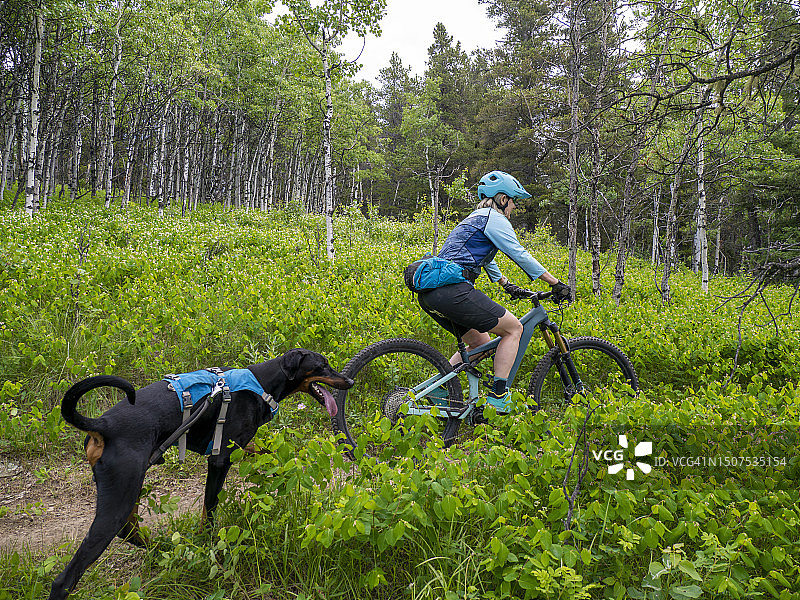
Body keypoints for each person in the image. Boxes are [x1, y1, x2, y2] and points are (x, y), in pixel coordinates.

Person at [415, 170, 571, 414]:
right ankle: (498, 395)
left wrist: (505, 284)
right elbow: (518, 253)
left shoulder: (474, 219)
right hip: (453, 290)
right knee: (513, 328)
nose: (514, 208)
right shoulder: (494, 219)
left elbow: (484, 257)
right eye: (513, 201)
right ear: (502, 199)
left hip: (432, 294)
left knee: (482, 343)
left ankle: (438, 387)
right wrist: (555, 283)